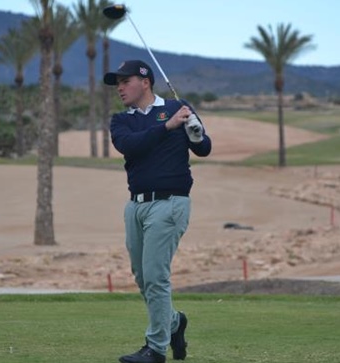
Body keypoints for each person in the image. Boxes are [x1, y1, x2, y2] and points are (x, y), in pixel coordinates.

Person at [103, 59, 212, 363]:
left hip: (170, 203)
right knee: (142, 277)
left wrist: (195, 132)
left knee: (155, 276)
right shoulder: (121, 121)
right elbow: (131, 146)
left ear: (145, 81)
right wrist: (168, 126)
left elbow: (204, 149)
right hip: (135, 206)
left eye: (125, 82)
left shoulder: (178, 107)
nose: (120, 88)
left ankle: (155, 348)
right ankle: (174, 322)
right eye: (117, 84)